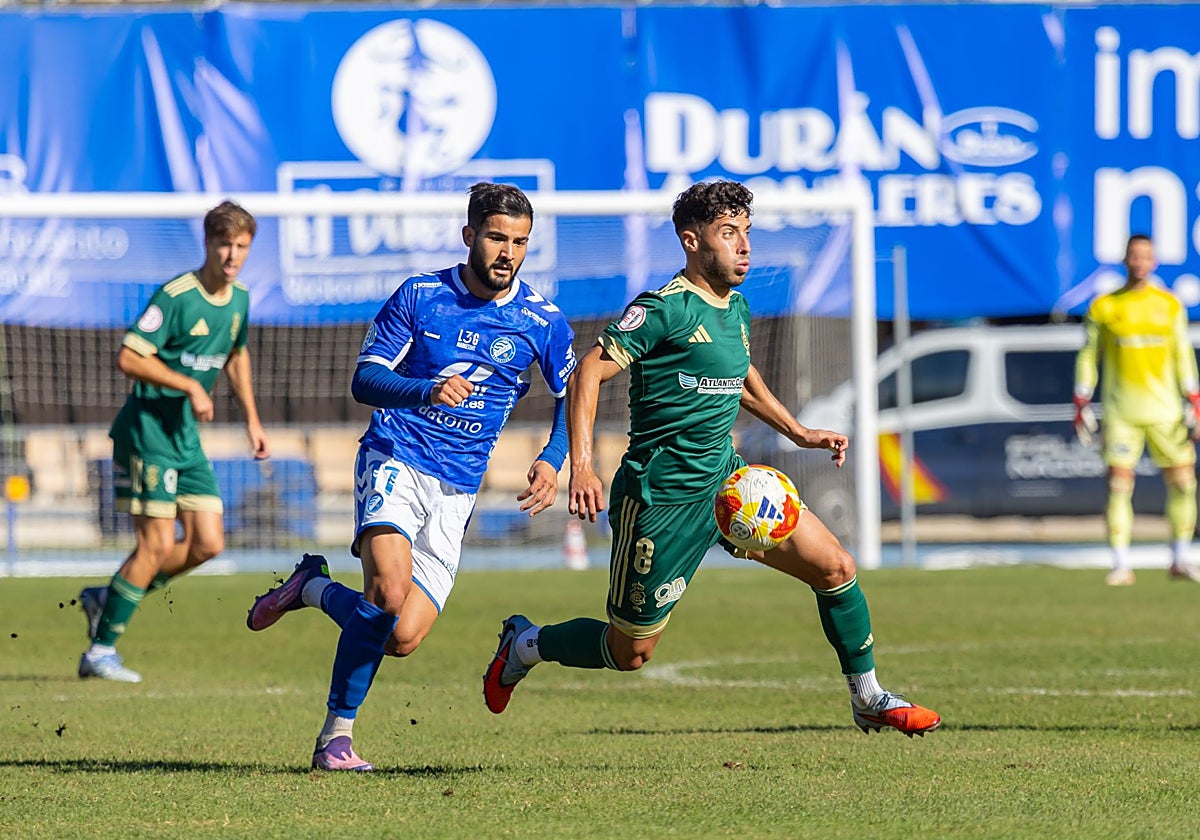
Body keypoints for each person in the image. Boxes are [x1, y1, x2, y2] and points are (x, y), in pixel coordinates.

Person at [482, 179, 941, 737]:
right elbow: (587, 374)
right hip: (663, 500)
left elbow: (739, 379)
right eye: (729, 233)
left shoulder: (737, 309)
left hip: (732, 488)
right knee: (630, 651)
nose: (744, 246)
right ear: (692, 241)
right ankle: (527, 644)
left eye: (747, 232)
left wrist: (796, 431)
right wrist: (582, 465)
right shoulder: (663, 309)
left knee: (836, 567)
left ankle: (867, 696)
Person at [246, 182, 576, 771]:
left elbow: (571, 398)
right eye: (497, 237)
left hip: (458, 489)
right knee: (387, 593)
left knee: (400, 636)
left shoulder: (543, 322)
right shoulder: (421, 296)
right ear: (469, 235)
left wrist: (554, 458)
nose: (508, 252)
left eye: (520, 242)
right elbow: (365, 379)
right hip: (396, 455)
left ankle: (311, 589)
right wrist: (426, 388)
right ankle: (334, 740)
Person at [77, 200, 269, 683]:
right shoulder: (177, 295)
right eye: (224, 243)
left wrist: (252, 421)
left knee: (208, 543)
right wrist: (186, 384)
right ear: (207, 244)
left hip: (185, 439)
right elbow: (129, 356)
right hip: (148, 434)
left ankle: (113, 596)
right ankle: (100, 651)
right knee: (158, 543)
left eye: (241, 246)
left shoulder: (240, 299)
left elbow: (237, 356)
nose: (232, 254)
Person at [1073, 233, 1200, 587]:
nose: (1140, 262)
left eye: (1146, 257)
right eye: (1134, 256)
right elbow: (1088, 355)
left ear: (1154, 262)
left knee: (1184, 484)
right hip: (1122, 412)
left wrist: (1194, 398)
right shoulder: (1104, 307)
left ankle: (1180, 558)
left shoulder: (1170, 305)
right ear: (1125, 259)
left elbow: (1182, 354)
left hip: (1166, 412)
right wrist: (1082, 397)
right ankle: (1120, 563)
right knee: (1118, 486)